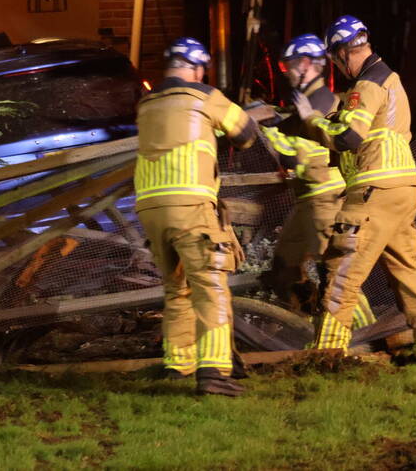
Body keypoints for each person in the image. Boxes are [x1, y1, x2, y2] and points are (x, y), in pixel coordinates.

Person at [292, 16, 416, 362]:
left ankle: (327, 351)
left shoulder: (369, 84)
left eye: (336, 59)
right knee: (406, 269)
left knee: (342, 268)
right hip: (403, 188)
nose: (337, 66)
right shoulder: (388, 79)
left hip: (374, 190)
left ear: (343, 53)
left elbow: (348, 138)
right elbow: (355, 122)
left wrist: (312, 122)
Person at [134, 37, 258, 396]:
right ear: (197, 68)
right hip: (190, 205)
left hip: (150, 209)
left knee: (177, 288)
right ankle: (215, 372)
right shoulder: (204, 96)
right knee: (210, 285)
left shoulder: (147, 103)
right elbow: (246, 134)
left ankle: (178, 364)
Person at [258, 34, 375, 329]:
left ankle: (369, 336)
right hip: (307, 200)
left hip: (326, 199)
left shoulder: (321, 103)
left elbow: (297, 157)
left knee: (336, 274)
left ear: (306, 63)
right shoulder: (306, 102)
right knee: (284, 268)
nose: (286, 73)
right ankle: (310, 327)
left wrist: (263, 129)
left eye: (288, 67)